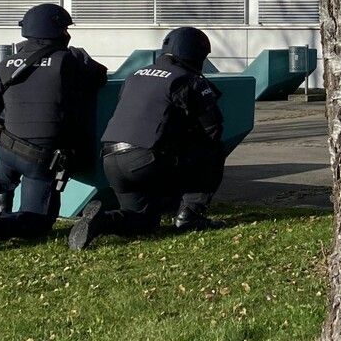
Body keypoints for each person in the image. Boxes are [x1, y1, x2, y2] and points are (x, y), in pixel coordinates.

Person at [0, 3, 107, 254]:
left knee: (6, 167)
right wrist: (82, 56)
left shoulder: (6, 64)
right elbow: (99, 76)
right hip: (42, 159)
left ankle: (1, 204)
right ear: (57, 31)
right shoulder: (69, 61)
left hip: (7, 149)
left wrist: (2, 132)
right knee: (38, 222)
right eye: (64, 28)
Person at [68, 26, 225, 251]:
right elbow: (213, 129)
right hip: (145, 159)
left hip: (112, 161)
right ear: (196, 54)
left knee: (143, 221)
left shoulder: (136, 75)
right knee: (212, 151)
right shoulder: (188, 80)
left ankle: (100, 222)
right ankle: (190, 215)